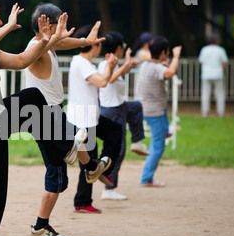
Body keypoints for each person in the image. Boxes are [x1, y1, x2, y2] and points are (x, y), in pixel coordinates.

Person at [0, 0, 104, 236]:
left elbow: (24, 60)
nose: (2, 21)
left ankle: (67, 147)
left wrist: (49, 40)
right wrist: (9, 26)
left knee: (33, 96)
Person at [24, 3, 111, 236]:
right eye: (59, 25)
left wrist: (85, 41)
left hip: (51, 113)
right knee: (57, 173)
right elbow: (48, 45)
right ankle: (40, 228)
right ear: (49, 26)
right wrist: (56, 37)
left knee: (73, 141)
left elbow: (60, 44)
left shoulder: (48, 45)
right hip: (43, 115)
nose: (63, 31)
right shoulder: (37, 47)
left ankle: (91, 166)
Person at [67, 25, 123, 213]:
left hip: (91, 118)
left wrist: (110, 67)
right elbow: (102, 82)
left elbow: (103, 80)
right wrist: (110, 67)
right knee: (88, 161)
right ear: (95, 44)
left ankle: (103, 170)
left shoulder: (83, 62)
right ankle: (82, 202)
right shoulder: (81, 63)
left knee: (115, 131)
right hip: (84, 121)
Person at [98, 31, 149, 201]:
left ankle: (137, 141)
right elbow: (111, 79)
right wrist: (124, 65)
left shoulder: (113, 63)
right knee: (118, 151)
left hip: (120, 106)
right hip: (112, 110)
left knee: (136, 107)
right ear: (119, 48)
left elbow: (117, 76)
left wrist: (128, 65)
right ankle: (109, 188)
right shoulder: (106, 65)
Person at [135, 36, 182, 187]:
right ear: (163, 52)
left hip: (150, 108)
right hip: (153, 111)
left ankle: (165, 130)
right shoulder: (158, 68)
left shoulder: (146, 65)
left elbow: (162, 69)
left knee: (164, 117)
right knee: (158, 145)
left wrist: (165, 63)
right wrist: (176, 56)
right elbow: (170, 72)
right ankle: (147, 178)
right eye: (167, 52)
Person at [198, 33, 228, 117]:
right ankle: (221, 112)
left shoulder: (204, 49)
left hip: (206, 74)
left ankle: (204, 112)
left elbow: (202, 62)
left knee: (205, 93)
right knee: (220, 93)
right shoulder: (221, 50)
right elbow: (223, 63)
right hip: (218, 74)